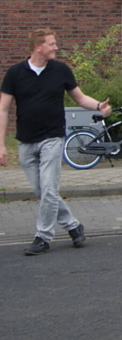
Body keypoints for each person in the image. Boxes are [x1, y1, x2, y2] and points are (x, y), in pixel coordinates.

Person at [0, 29, 112, 256]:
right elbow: (3, 108)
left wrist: (100, 106)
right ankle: (73, 226)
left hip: (52, 137)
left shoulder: (61, 70)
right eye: (51, 44)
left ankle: (43, 236)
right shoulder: (14, 73)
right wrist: (1, 145)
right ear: (37, 47)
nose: (56, 47)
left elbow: (80, 98)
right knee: (42, 191)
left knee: (49, 189)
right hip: (25, 142)